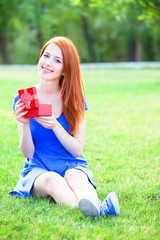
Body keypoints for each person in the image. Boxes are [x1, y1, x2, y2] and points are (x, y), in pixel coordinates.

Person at [9, 36, 120, 217]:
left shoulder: (75, 99)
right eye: (46, 56)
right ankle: (101, 209)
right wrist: (24, 123)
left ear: (65, 70)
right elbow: (28, 153)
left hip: (71, 164)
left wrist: (55, 125)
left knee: (74, 176)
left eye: (57, 60)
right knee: (54, 180)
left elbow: (77, 150)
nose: (48, 63)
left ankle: (94, 208)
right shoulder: (25, 98)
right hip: (39, 169)